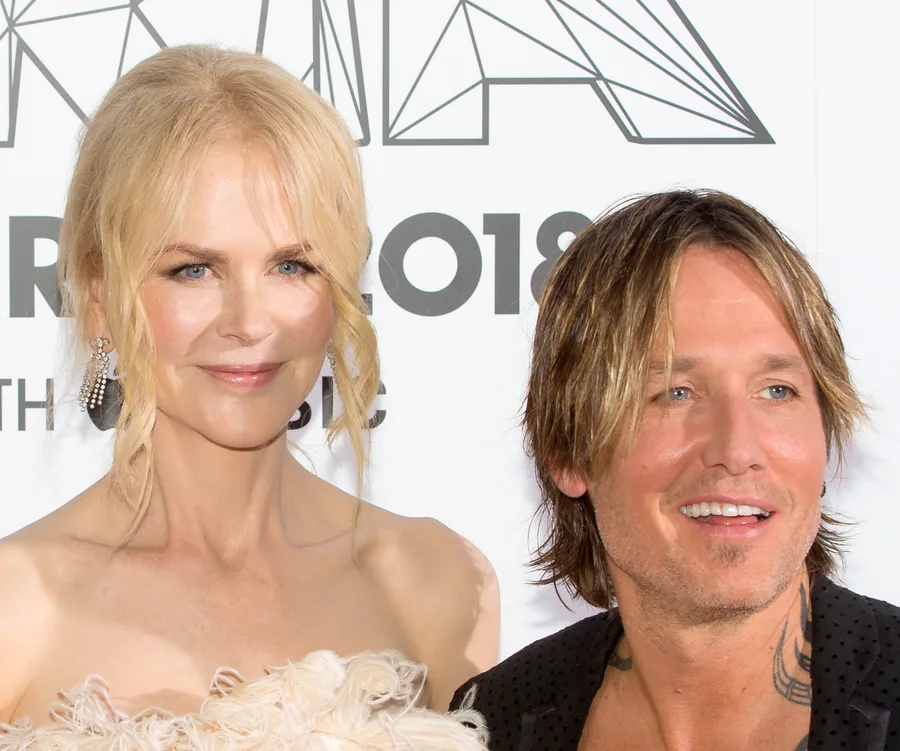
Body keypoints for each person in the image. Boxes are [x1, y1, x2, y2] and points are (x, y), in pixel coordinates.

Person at [0, 44, 498, 745]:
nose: (250, 321)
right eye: (194, 270)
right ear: (99, 300)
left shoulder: (434, 580)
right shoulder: (16, 606)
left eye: (291, 265)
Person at [451, 190, 900, 750]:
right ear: (569, 449)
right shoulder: (489, 724)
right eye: (676, 393)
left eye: (777, 390)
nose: (737, 448)